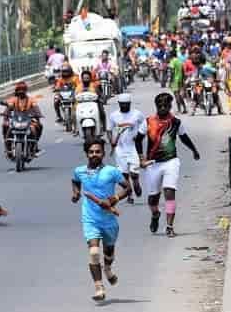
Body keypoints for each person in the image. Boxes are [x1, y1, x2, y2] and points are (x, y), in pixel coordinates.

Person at [72, 138, 130, 301]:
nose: (94, 154)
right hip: (90, 219)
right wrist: (76, 193)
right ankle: (99, 288)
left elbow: (127, 188)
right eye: (91, 152)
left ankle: (108, 268)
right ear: (86, 154)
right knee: (94, 252)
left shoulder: (112, 171)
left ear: (103, 153)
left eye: (98, 151)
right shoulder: (79, 171)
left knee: (108, 251)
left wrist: (113, 200)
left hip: (109, 220)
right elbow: (75, 181)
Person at [136, 93, 200, 238]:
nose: (163, 108)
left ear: (171, 106)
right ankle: (155, 214)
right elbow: (138, 140)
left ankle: (170, 226)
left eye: (166, 106)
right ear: (156, 106)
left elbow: (184, 137)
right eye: (160, 106)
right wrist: (141, 158)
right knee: (153, 198)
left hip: (171, 161)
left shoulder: (176, 122)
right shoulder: (148, 122)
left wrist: (194, 150)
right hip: (153, 164)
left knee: (169, 192)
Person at [107, 94, 145, 204]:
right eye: (122, 104)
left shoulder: (137, 114)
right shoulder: (114, 115)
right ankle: (129, 194)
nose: (124, 106)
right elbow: (109, 130)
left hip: (134, 147)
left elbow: (145, 126)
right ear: (119, 104)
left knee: (133, 174)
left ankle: (136, 182)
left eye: (126, 104)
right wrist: (111, 141)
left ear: (130, 104)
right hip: (120, 148)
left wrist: (139, 135)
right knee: (124, 174)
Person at [2, 82, 43, 158]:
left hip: (28, 120)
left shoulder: (31, 99)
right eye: (19, 90)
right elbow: (9, 107)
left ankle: (34, 145)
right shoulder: (14, 99)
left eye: (23, 90)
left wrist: (38, 114)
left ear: (25, 90)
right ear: (16, 91)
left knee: (36, 127)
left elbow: (36, 107)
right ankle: (8, 147)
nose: (21, 92)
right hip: (16, 120)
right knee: (6, 127)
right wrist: (5, 114)